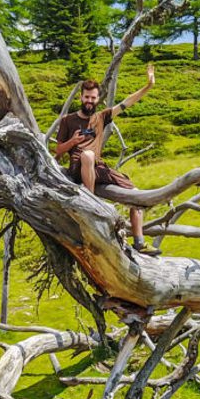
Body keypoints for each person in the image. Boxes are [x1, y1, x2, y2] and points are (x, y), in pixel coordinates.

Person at [54, 64, 160, 256]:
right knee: (87, 155)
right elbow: (58, 151)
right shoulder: (68, 120)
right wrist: (73, 141)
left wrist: (149, 85)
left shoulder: (101, 117)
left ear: (97, 99)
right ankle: (91, 203)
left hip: (99, 168)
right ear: (81, 97)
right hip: (79, 166)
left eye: (93, 98)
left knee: (136, 194)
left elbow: (127, 102)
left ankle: (139, 242)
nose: (89, 101)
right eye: (86, 97)